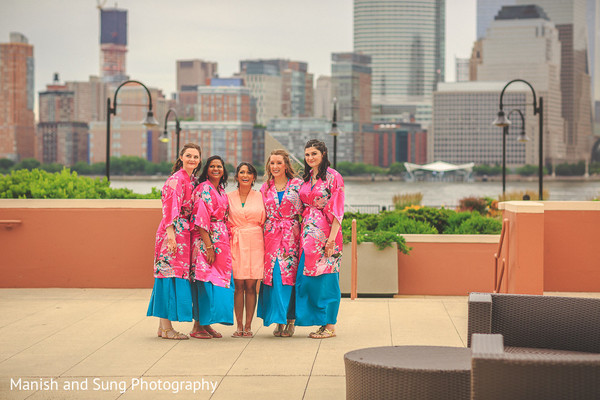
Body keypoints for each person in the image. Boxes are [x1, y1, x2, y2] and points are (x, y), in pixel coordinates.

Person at [147, 143, 202, 340]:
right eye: (188, 156)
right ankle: (167, 328)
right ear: (180, 157)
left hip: (183, 234)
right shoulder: (175, 180)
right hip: (173, 233)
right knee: (166, 276)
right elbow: (169, 208)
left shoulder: (191, 180)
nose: (192, 160)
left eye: (196, 157)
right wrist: (171, 236)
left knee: (172, 276)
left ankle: (163, 327)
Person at [296, 139, 344, 339]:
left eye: (314, 153)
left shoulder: (333, 177)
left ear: (323, 154)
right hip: (307, 234)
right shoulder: (307, 177)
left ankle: (330, 325)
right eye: (307, 154)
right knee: (308, 281)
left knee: (327, 279)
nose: (310, 158)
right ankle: (318, 321)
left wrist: (331, 240)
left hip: (326, 234)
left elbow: (338, 210)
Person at [257, 149, 304, 337]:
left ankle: (290, 320)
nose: (275, 166)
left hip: (291, 236)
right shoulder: (265, 187)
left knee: (290, 279)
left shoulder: (298, 185)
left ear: (286, 165)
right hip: (270, 236)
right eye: (272, 163)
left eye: (278, 163)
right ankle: (278, 319)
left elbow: (306, 210)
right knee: (274, 277)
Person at [189, 155, 233, 339]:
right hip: (206, 241)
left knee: (216, 283)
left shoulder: (221, 190)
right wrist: (208, 247)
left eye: (219, 166)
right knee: (203, 282)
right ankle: (197, 326)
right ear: (206, 169)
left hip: (220, 240)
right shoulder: (204, 188)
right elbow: (200, 221)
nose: (216, 169)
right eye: (212, 166)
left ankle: (206, 324)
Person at [227, 162, 266, 338]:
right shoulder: (228, 197)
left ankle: (248, 326)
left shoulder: (261, 196)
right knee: (238, 286)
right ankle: (239, 326)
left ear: (253, 177)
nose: (245, 175)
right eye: (241, 172)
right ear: (236, 176)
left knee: (251, 286)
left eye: (249, 172)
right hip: (235, 241)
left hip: (256, 241)